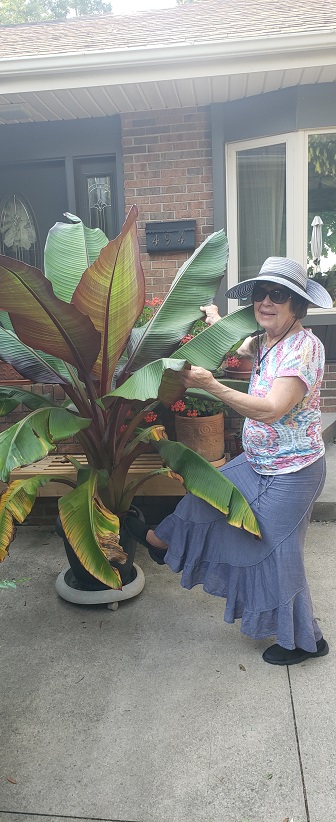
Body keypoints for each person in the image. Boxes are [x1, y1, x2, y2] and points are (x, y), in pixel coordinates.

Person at [125, 256, 333, 666]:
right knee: (205, 493)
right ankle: (160, 543)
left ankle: (306, 641)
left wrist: (212, 386)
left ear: (297, 304)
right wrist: (217, 318)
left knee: (277, 553)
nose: (266, 301)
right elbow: (240, 346)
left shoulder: (305, 348)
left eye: (278, 294)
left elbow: (271, 409)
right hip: (257, 461)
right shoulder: (266, 341)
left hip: (293, 473)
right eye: (261, 293)